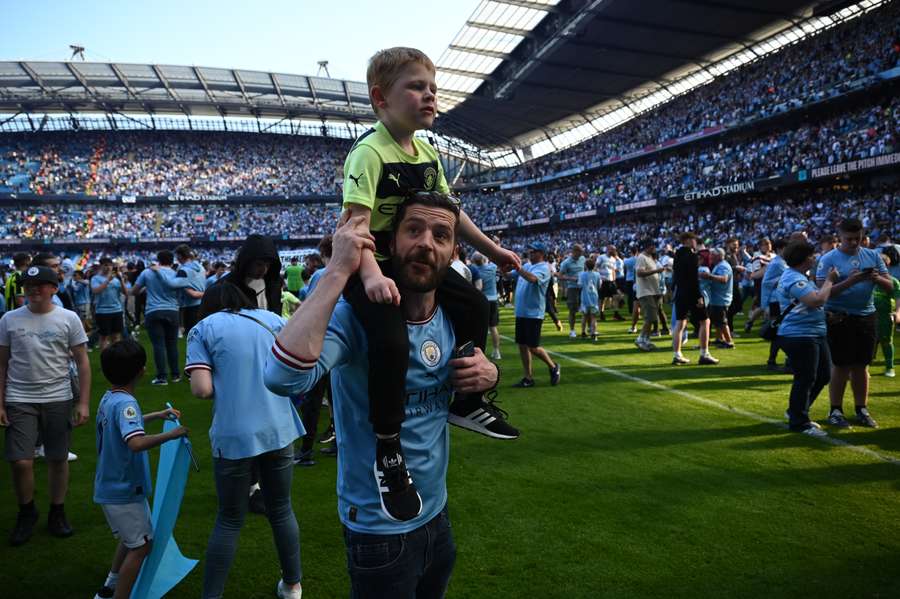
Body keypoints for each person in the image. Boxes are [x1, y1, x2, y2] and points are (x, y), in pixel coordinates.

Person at [265, 195, 501, 598]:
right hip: (378, 530)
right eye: (414, 230)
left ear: (452, 252)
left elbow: (471, 373)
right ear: (390, 243)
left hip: (436, 514)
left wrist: (489, 373)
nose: (427, 243)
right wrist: (339, 269)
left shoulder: (453, 315)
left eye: (441, 235)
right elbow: (283, 378)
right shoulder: (355, 320)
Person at [340, 47, 520, 520]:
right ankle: (388, 448)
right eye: (417, 87)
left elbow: (450, 214)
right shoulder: (368, 152)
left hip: (410, 266)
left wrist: (492, 250)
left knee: (477, 308)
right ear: (381, 98)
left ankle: (467, 399)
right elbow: (353, 227)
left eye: (433, 89)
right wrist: (373, 274)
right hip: (369, 267)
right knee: (391, 343)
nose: (429, 96)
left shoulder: (427, 152)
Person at [186, 282, 305, 599]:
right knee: (281, 509)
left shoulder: (203, 328)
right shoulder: (273, 320)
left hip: (234, 433)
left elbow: (201, 389)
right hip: (278, 428)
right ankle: (293, 585)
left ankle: (212, 595)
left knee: (228, 518)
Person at [0, 265, 91, 546]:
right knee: (20, 460)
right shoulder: (9, 320)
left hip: (58, 396)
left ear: (54, 288)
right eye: (29, 284)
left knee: (57, 458)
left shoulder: (68, 318)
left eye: (41, 284)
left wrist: (83, 402)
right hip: (19, 397)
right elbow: (2, 364)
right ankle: (27, 511)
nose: (33, 289)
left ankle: (57, 511)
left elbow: (83, 362)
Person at [92, 339, 187, 599]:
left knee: (130, 538)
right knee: (142, 547)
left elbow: (121, 425)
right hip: (123, 489)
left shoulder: (109, 398)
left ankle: (110, 585)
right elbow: (134, 442)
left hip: (112, 485)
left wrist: (155, 416)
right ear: (141, 371)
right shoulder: (127, 404)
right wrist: (173, 435)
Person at [817, 218, 893, 428]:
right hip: (839, 316)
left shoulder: (872, 255)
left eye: (857, 238)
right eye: (848, 239)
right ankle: (835, 410)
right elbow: (822, 293)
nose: (853, 243)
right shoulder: (828, 259)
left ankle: (861, 408)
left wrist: (877, 279)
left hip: (867, 316)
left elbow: (890, 287)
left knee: (862, 365)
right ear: (839, 237)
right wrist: (851, 281)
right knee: (841, 365)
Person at [775, 241, 838, 437]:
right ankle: (799, 421)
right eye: (812, 255)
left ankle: (797, 411)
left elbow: (808, 306)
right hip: (799, 334)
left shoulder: (801, 276)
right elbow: (816, 300)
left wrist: (826, 316)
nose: (815, 258)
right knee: (806, 377)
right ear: (803, 258)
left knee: (823, 375)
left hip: (814, 332)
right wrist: (829, 280)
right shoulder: (794, 278)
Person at [131, 251, 200, 386]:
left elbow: (134, 291)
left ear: (158, 259)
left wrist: (146, 289)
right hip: (172, 310)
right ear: (172, 260)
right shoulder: (176, 273)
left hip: (153, 310)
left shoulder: (147, 272)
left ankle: (162, 377)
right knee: (172, 344)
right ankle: (175, 375)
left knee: (158, 345)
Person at [512, 242, 561, 388]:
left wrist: (518, 268)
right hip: (521, 311)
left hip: (533, 313)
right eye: (530, 250)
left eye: (533, 251)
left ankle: (553, 367)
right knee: (522, 345)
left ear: (541, 253)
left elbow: (533, 279)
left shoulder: (544, 268)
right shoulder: (527, 266)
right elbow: (509, 276)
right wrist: (504, 269)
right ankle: (528, 377)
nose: (530, 253)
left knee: (533, 347)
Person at [671, 232, 718, 365]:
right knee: (705, 321)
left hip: (680, 291)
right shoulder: (691, 256)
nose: (695, 242)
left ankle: (677, 354)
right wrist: (698, 296)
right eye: (693, 239)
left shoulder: (677, 255)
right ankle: (704, 353)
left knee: (680, 323)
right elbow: (693, 278)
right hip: (691, 293)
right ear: (687, 240)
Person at [634, 240, 667, 351]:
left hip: (653, 291)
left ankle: (646, 340)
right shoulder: (641, 257)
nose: (655, 249)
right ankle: (640, 338)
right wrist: (656, 271)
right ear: (649, 246)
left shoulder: (650, 258)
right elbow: (639, 273)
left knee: (652, 318)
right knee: (651, 317)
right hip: (645, 291)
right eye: (653, 246)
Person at [873, 250, 900, 377]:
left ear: (887, 266)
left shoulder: (893, 282)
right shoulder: (870, 280)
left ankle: (890, 367)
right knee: (869, 341)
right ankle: (864, 367)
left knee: (886, 341)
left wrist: (898, 313)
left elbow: (898, 299)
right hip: (869, 315)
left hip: (885, 315)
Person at [91, 258, 126, 352]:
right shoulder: (95, 278)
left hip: (117, 310)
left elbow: (126, 293)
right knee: (104, 338)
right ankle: (105, 360)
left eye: (109, 265)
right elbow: (95, 291)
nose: (108, 267)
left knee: (116, 337)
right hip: (102, 311)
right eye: (105, 265)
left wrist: (121, 280)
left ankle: (116, 358)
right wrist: (107, 280)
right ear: (101, 266)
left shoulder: (117, 279)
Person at [471, 253, 502, 360]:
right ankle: (497, 351)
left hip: (481, 300)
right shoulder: (492, 268)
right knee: (493, 327)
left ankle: (478, 351)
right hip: (493, 299)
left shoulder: (474, 270)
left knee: (479, 328)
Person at [703, 248, 734, 349]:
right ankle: (719, 339)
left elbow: (724, 279)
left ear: (719, 256)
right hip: (717, 298)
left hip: (721, 299)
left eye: (713, 255)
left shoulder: (723, 266)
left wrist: (708, 276)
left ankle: (729, 342)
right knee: (717, 321)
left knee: (722, 321)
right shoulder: (719, 265)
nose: (710, 257)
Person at [174, 244, 207, 335]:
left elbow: (191, 293)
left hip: (189, 306)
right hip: (202, 304)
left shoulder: (182, 270)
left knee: (192, 336)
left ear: (180, 255)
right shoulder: (201, 267)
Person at [558, 244, 585, 338]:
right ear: (575, 251)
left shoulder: (582, 259)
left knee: (586, 309)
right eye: (580, 252)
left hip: (583, 288)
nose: (581, 254)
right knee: (572, 310)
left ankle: (585, 330)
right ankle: (572, 330)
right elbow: (560, 276)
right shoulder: (566, 262)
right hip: (572, 288)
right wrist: (571, 278)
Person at [578, 259, 601, 341]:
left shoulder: (581, 274)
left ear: (586, 266)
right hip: (594, 298)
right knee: (593, 317)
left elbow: (579, 285)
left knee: (584, 316)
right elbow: (599, 285)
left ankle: (583, 332)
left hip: (584, 298)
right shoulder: (597, 274)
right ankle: (593, 332)